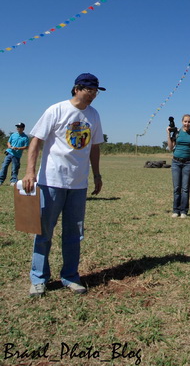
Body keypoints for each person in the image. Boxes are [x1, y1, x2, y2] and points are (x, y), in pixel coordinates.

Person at [22, 73, 105, 297]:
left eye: (96, 91)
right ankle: (39, 278)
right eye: (90, 90)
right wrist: (30, 171)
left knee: (74, 233)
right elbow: (36, 140)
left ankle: (70, 276)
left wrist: (96, 174)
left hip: (78, 184)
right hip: (51, 181)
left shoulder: (94, 115)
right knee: (45, 231)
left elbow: (94, 147)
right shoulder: (56, 110)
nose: (94, 94)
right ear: (77, 89)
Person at [167, 114, 190, 218]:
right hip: (176, 162)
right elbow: (170, 147)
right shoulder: (177, 132)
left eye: (189, 122)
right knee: (177, 187)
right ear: (182, 122)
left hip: (188, 163)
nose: (187, 124)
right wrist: (168, 134)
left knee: (185, 188)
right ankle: (175, 210)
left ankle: (184, 211)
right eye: (185, 121)